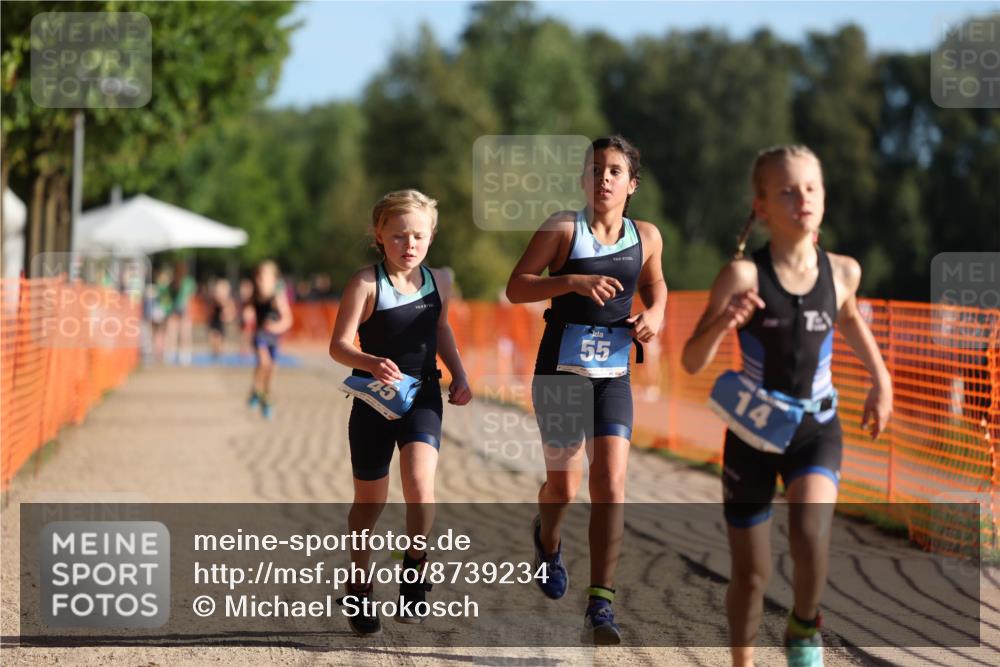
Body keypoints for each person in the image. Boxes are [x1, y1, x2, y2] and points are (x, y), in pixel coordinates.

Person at [681, 145, 893, 667]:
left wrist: (881, 382)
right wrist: (725, 320)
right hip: (752, 436)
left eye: (812, 188)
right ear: (761, 207)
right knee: (752, 575)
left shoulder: (843, 271)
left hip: (816, 427)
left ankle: (803, 625)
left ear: (823, 198)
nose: (803, 198)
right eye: (787, 190)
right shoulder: (743, 277)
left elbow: (848, 320)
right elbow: (690, 360)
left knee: (809, 529)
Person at [506, 135, 667, 644]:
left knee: (612, 485)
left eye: (615, 171)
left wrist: (656, 314)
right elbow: (517, 286)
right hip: (559, 372)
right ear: (583, 179)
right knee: (564, 487)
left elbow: (655, 285)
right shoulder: (562, 228)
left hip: (613, 377)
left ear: (631, 185)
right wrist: (570, 283)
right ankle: (547, 541)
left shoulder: (647, 236)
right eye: (596, 169)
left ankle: (601, 604)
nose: (604, 178)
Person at [328, 189, 472, 635]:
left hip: (424, 394)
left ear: (431, 236)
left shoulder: (439, 282)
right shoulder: (366, 284)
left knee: (419, 484)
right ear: (379, 236)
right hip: (374, 400)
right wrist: (369, 362)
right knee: (368, 505)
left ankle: (414, 570)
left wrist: (460, 374)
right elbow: (339, 346)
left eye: (418, 236)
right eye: (398, 236)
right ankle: (359, 584)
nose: (409, 245)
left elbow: (441, 329)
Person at [244, 260, 293, 419]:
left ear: (273, 279)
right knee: (263, 363)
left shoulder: (277, 296)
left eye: (263, 276)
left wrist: (276, 327)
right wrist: (246, 315)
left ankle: (265, 397)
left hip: (273, 337)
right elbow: (246, 308)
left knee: (271, 368)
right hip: (259, 335)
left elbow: (287, 319)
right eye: (258, 276)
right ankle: (256, 391)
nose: (260, 280)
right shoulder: (255, 295)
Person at [207, 277, 236, 359]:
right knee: (212, 338)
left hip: (221, 323)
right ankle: (215, 353)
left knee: (219, 339)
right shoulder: (214, 300)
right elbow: (209, 310)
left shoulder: (228, 301)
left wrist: (227, 317)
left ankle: (219, 353)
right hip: (214, 321)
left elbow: (232, 313)